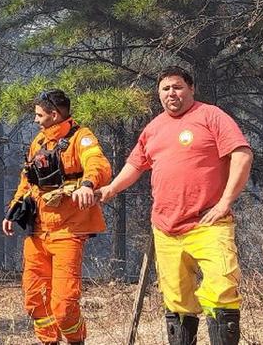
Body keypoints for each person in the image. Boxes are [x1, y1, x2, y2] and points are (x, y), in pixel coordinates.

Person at [97, 66, 252, 345]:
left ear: (191, 89)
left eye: (178, 87)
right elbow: (135, 164)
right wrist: (111, 188)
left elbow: (241, 155)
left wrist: (224, 202)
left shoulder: (211, 116)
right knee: (177, 301)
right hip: (166, 228)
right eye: (165, 88)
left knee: (222, 293)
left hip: (210, 224)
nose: (172, 93)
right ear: (159, 94)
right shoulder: (153, 128)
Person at [2, 89, 113, 345]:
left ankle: (76, 340)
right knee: (35, 301)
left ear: (54, 114)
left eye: (39, 115)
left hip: (68, 232)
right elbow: (26, 181)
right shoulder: (38, 143)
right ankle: (47, 341)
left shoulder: (81, 139)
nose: (35, 120)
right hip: (37, 231)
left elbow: (98, 164)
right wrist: (13, 210)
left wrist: (87, 184)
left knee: (63, 305)